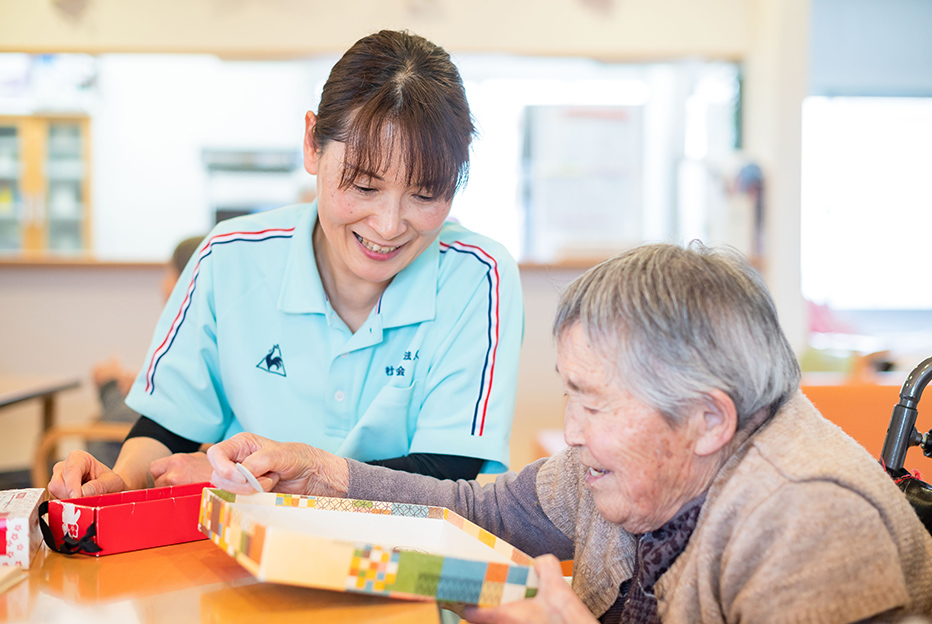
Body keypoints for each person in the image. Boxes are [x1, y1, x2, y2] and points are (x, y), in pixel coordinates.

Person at [209, 242, 932, 623]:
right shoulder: (631, 469)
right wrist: (328, 474)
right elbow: (483, 513)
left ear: (709, 419)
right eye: (568, 395)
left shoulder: (811, 518)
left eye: (593, 403)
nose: (570, 432)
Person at [49, 29, 523, 500]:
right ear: (313, 144)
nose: (388, 225)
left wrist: (258, 483)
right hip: (241, 553)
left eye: (424, 195)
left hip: (395, 559)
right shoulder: (228, 258)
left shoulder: (478, 276)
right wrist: (120, 481)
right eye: (364, 187)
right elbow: (168, 428)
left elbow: (443, 477)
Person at [87, 236, 204, 468]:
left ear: (186, 279)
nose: (163, 284)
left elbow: (151, 426)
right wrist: (140, 385)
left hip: (134, 476)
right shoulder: (191, 332)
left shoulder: (193, 337)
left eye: (169, 273)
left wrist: (109, 387)